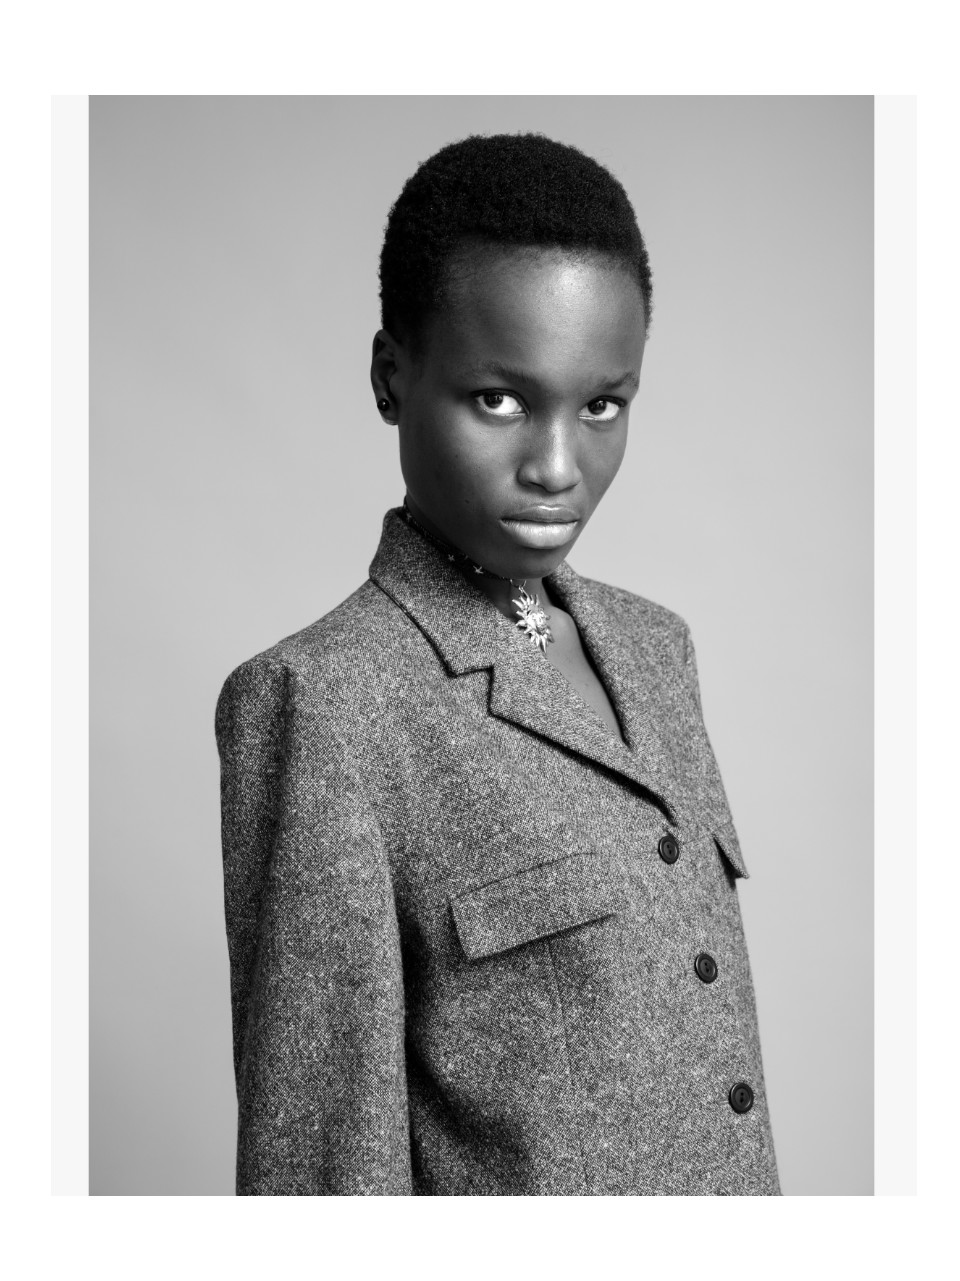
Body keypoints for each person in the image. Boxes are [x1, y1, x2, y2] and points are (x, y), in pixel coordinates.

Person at [214, 132, 781, 1196]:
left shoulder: (657, 649)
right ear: (392, 376)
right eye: (500, 400)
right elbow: (320, 1172)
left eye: (602, 404)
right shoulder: (322, 703)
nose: (558, 466)